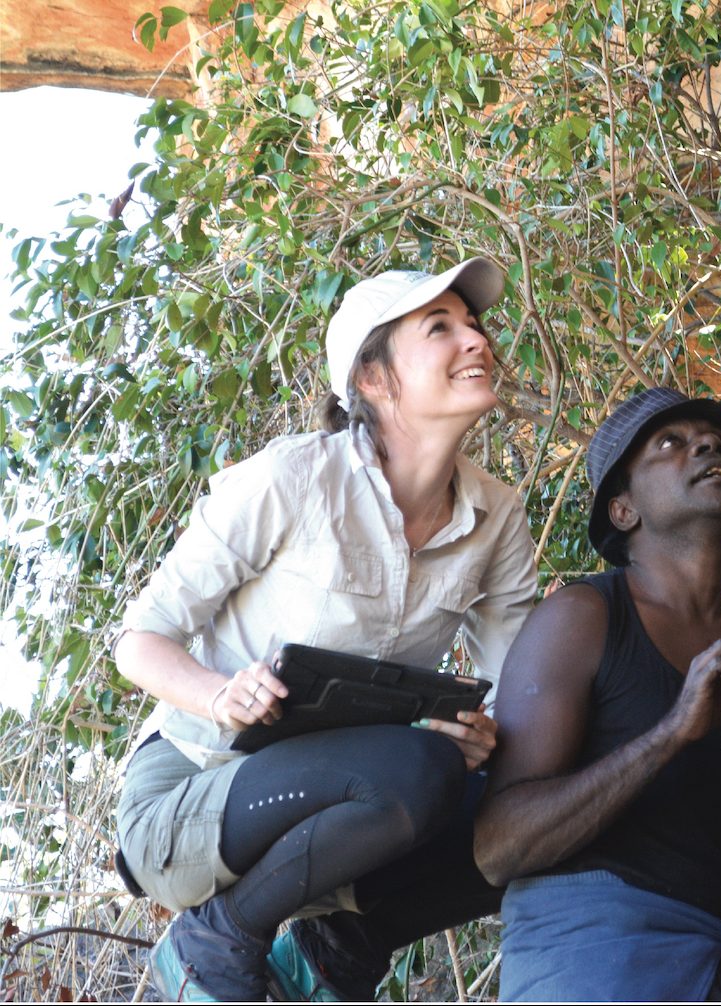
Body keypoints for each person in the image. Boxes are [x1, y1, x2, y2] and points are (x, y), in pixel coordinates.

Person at [112, 258, 539, 1001]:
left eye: (474, 324)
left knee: (538, 816)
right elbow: (139, 641)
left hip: (350, 827)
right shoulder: (291, 479)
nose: (475, 340)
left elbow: (522, 686)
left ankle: (331, 951)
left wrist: (482, 735)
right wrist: (221, 695)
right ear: (372, 379)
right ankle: (215, 939)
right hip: (192, 798)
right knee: (415, 768)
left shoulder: (496, 515)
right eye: (440, 328)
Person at [475, 387, 721, 1001]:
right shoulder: (584, 617)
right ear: (622, 510)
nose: (710, 445)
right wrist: (671, 731)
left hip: (715, 972)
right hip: (589, 964)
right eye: (670, 443)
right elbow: (498, 849)